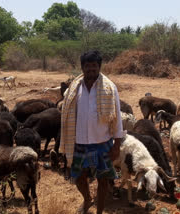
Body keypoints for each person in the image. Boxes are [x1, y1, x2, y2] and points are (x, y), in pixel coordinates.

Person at [60, 50, 124, 214]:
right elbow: (67, 117)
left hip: (102, 142)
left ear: (99, 67)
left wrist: (117, 145)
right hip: (79, 142)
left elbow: (117, 118)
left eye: (94, 66)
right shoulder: (74, 89)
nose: (91, 69)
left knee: (103, 180)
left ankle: (100, 211)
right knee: (79, 178)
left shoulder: (110, 88)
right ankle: (87, 199)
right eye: (87, 66)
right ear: (82, 67)